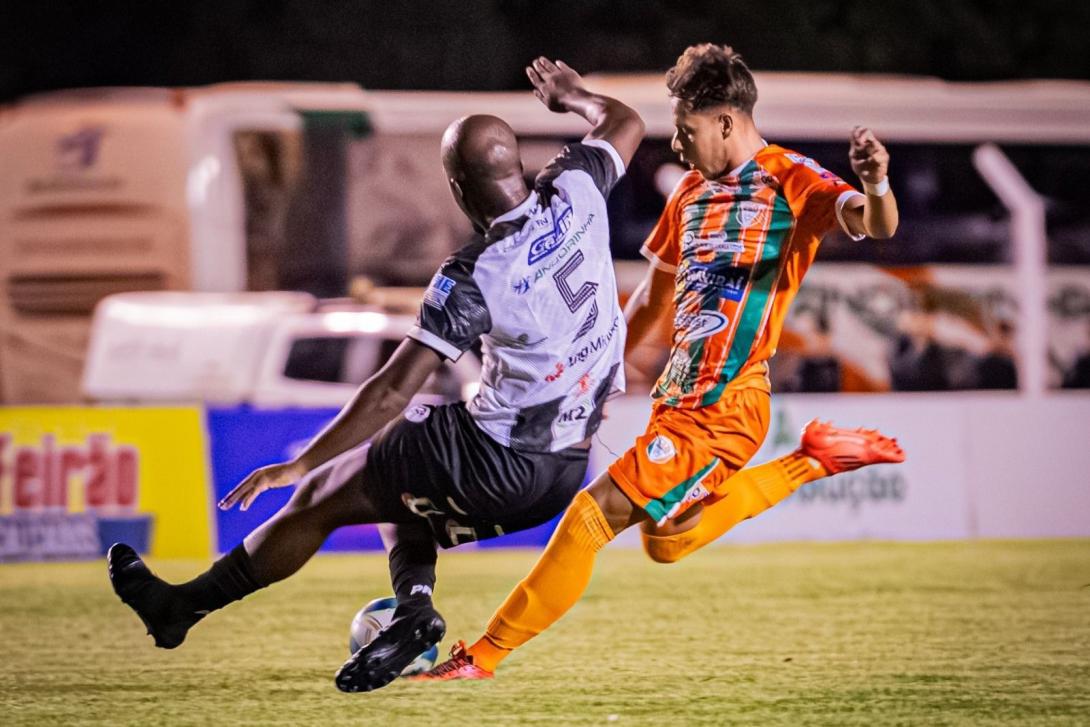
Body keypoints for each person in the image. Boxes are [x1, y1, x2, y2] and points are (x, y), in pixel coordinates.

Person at [106, 56, 646, 693]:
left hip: (496, 458)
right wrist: (572, 94)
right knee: (399, 485)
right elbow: (625, 120)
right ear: (519, 166)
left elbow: (392, 390)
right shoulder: (577, 190)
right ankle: (413, 609)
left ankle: (181, 608)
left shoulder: (476, 272)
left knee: (325, 492)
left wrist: (299, 463)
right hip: (563, 473)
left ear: (457, 188)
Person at [416, 43, 905, 682]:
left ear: (725, 122)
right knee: (667, 542)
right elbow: (653, 297)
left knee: (589, 519)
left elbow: (876, 223)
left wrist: (875, 181)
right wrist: (600, 372)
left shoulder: (792, 180)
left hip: (728, 401)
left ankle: (481, 657)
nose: (676, 144)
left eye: (685, 129)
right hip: (677, 399)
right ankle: (811, 460)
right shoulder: (691, 195)